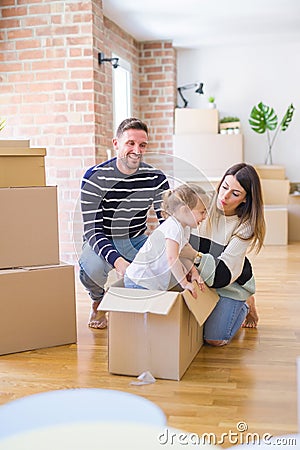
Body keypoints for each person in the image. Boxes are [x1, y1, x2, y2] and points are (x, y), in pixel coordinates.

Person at [79, 117, 169, 329]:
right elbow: (93, 231)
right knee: (91, 269)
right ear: (116, 143)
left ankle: (127, 299)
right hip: (103, 237)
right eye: (130, 143)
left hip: (136, 239)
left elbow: (166, 221)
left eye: (142, 145)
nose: (137, 150)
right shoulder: (94, 177)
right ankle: (98, 299)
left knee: (165, 263)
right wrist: (119, 262)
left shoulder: (156, 178)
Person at [185, 162, 266, 346]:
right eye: (224, 187)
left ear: (245, 199)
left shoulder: (245, 226)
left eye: (235, 194)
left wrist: (193, 255)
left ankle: (246, 303)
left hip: (230, 282)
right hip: (202, 276)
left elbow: (222, 276)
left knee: (215, 339)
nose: (225, 196)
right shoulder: (203, 204)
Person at [124, 184, 210, 298]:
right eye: (202, 212)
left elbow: (182, 255)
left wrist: (193, 271)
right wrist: (184, 283)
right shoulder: (173, 228)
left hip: (148, 283)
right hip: (139, 281)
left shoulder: (184, 228)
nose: (205, 216)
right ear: (184, 211)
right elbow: (172, 258)